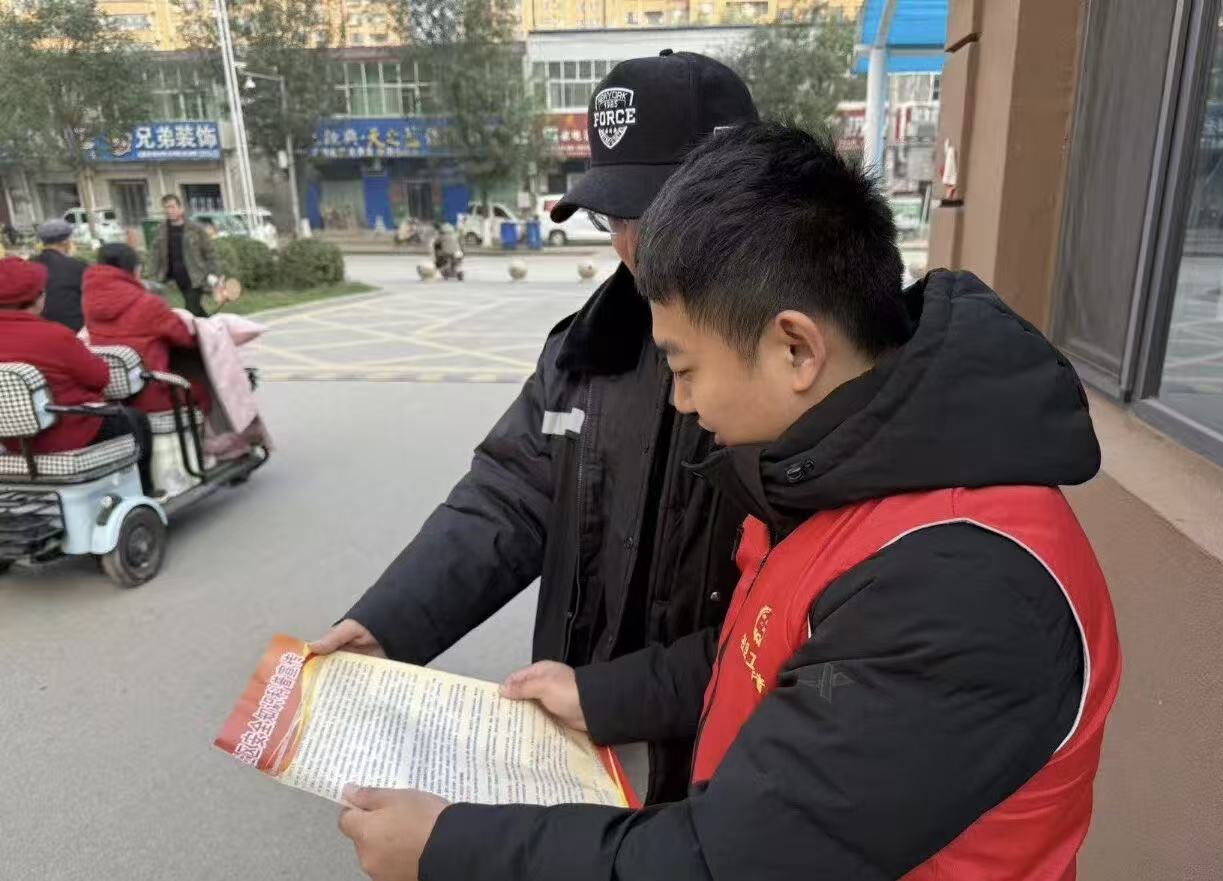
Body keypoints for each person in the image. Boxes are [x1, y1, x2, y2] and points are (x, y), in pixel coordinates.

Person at [336, 124, 1122, 881]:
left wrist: (448, 847)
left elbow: (728, 862)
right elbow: (759, 647)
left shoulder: (959, 585)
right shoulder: (823, 473)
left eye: (683, 368)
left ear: (795, 348)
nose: (679, 401)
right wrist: (603, 695)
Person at [311, 50, 759, 803]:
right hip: (581, 739)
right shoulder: (586, 348)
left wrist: (619, 697)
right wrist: (390, 625)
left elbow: (805, 617)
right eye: (616, 218)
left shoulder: (793, 364)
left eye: (656, 216)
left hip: (730, 763)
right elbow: (508, 496)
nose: (631, 248)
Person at [0, 256, 153, 491]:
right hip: (68, 435)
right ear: (38, 298)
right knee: (135, 419)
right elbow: (100, 378)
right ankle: (145, 490)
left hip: (12, 442)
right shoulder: (54, 335)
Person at [84, 243, 209, 415]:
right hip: (154, 395)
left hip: (113, 399)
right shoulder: (148, 304)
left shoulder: (89, 305)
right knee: (202, 390)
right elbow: (186, 339)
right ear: (135, 270)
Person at [147, 194, 219, 317]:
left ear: (181, 208)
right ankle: (212, 325)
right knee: (197, 311)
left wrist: (214, 274)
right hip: (175, 279)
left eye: (172, 207)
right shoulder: (161, 230)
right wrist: (152, 275)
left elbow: (210, 253)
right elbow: (155, 254)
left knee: (190, 311)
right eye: (166, 208)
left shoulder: (196, 229)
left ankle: (203, 326)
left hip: (196, 277)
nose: (169, 211)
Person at [31, 218, 87, 331]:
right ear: (65, 241)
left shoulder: (29, 265)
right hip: (73, 329)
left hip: (38, 327)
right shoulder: (77, 266)